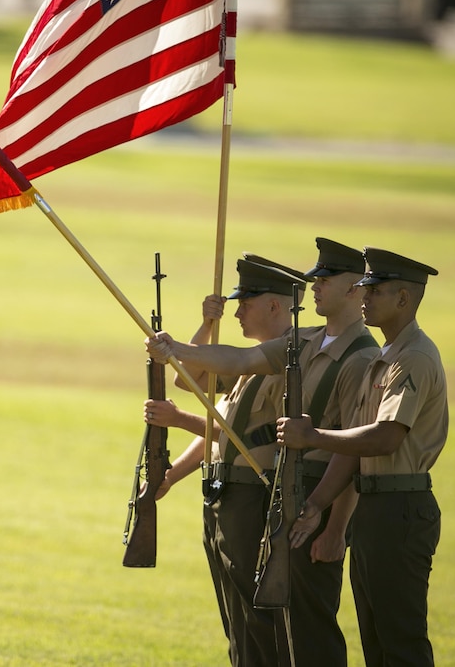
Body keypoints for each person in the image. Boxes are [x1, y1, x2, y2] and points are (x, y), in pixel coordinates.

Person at [147, 239, 381, 667]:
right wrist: (177, 346)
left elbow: (357, 450)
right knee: (255, 627)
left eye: (325, 280)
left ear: (354, 289)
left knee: (303, 628)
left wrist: (334, 527)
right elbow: (232, 363)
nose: (315, 287)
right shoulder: (303, 344)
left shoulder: (362, 357)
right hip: (285, 497)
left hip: (307, 496)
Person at [277, 248, 447, 667]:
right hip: (374, 508)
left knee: (400, 639)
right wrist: (317, 505)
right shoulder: (385, 359)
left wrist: (313, 434)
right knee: (376, 639)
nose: (364, 296)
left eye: (375, 290)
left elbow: (385, 438)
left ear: (404, 300)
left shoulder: (413, 358)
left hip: (400, 509)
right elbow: (352, 450)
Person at [145, 256, 307, 666]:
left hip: (252, 497)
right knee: (235, 621)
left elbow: (240, 440)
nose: (237, 312)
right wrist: (206, 325)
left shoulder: (288, 363)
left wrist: (180, 420)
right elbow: (190, 379)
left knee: (255, 620)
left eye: (245, 303)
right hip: (224, 494)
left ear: (274, 306)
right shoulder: (251, 361)